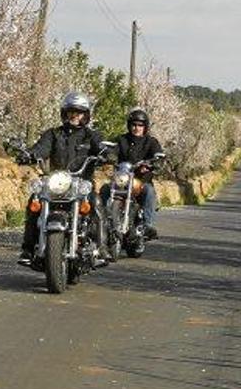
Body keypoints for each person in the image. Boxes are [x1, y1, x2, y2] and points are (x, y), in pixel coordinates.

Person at [17, 91, 110, 265]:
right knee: (33, 203)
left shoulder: (92, 136)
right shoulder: (53, 134)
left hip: (81, 183)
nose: (74, 116)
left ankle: (101, 248)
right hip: (56, 183)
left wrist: (105, 154)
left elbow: (102, 148)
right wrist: (29, 154)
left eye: (79, 112)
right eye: (71, 112)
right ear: (64, 113)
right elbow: (41, 148)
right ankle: (28, 249)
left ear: (86, 115)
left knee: (96, 202)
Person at [102, 108, 163, 239]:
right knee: (105, 189)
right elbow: (111, 149)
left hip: (140, 181)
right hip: (121, 180)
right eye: (134, 125)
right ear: (129, 125)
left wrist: (153, 164)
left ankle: (148, 225)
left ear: (145, 127)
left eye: (140, 125)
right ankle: (99, 224)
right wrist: (110, 155)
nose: (137, 128)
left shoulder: (151, 142)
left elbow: (158, 155)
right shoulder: (121, 139)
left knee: (149, 191)